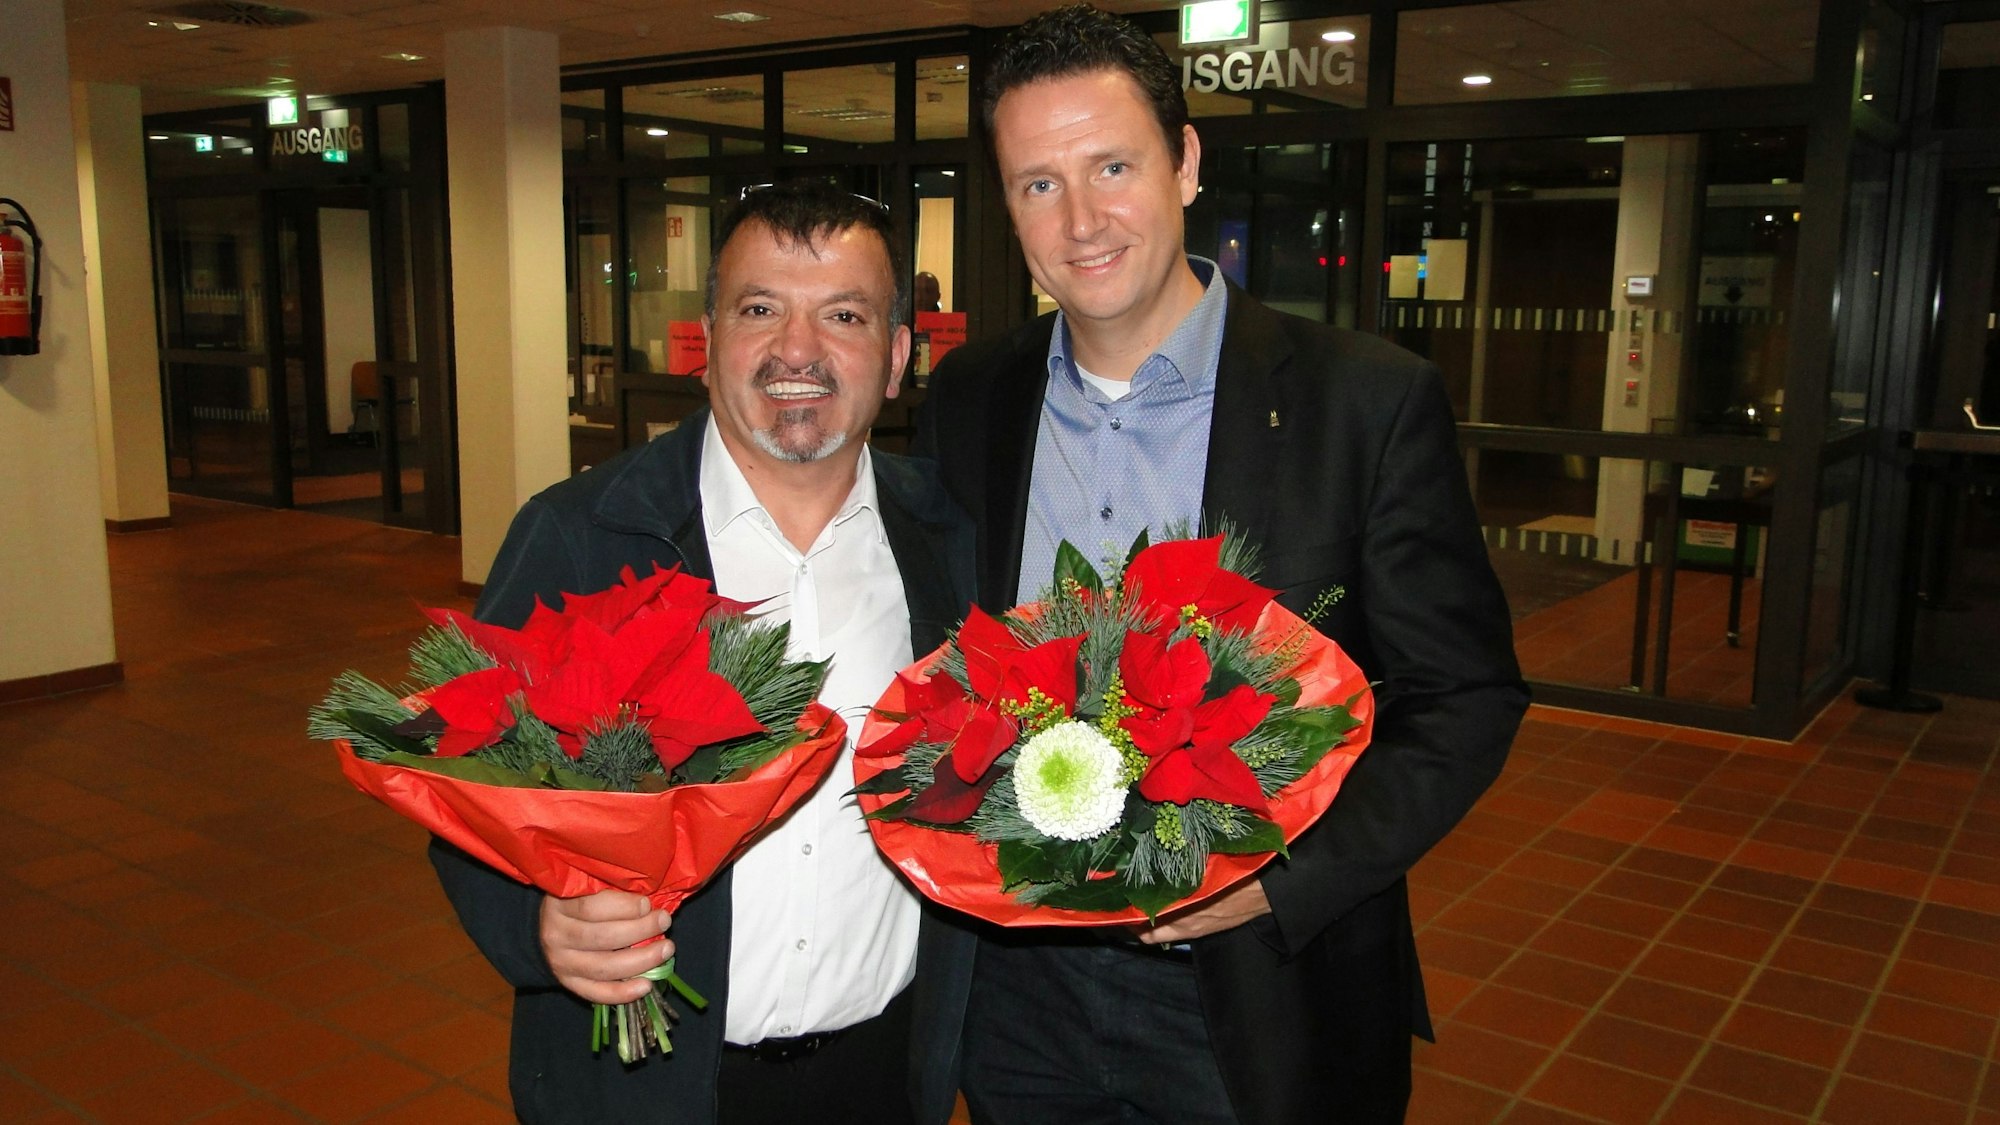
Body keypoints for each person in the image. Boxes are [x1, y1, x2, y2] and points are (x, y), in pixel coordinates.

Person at [916, 6, 1529, 1123]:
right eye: (1036, 183)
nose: (1081, 219)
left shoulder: (1364, 401)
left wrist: (1275, 885)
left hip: (1256, 996)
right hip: (1015, 986)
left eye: (1112, 165)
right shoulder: (970, 400)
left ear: (1185, 162)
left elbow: (1465, 697)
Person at [432, 180, 977, 1125]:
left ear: (895, 358)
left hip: (884, 1073)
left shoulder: (952, 542)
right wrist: (540, 931)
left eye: (841, 314)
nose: (796, 350)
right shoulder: (585, 537)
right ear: (710, 338)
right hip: (654, 1083)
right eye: (760, 309)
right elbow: (464, 794)